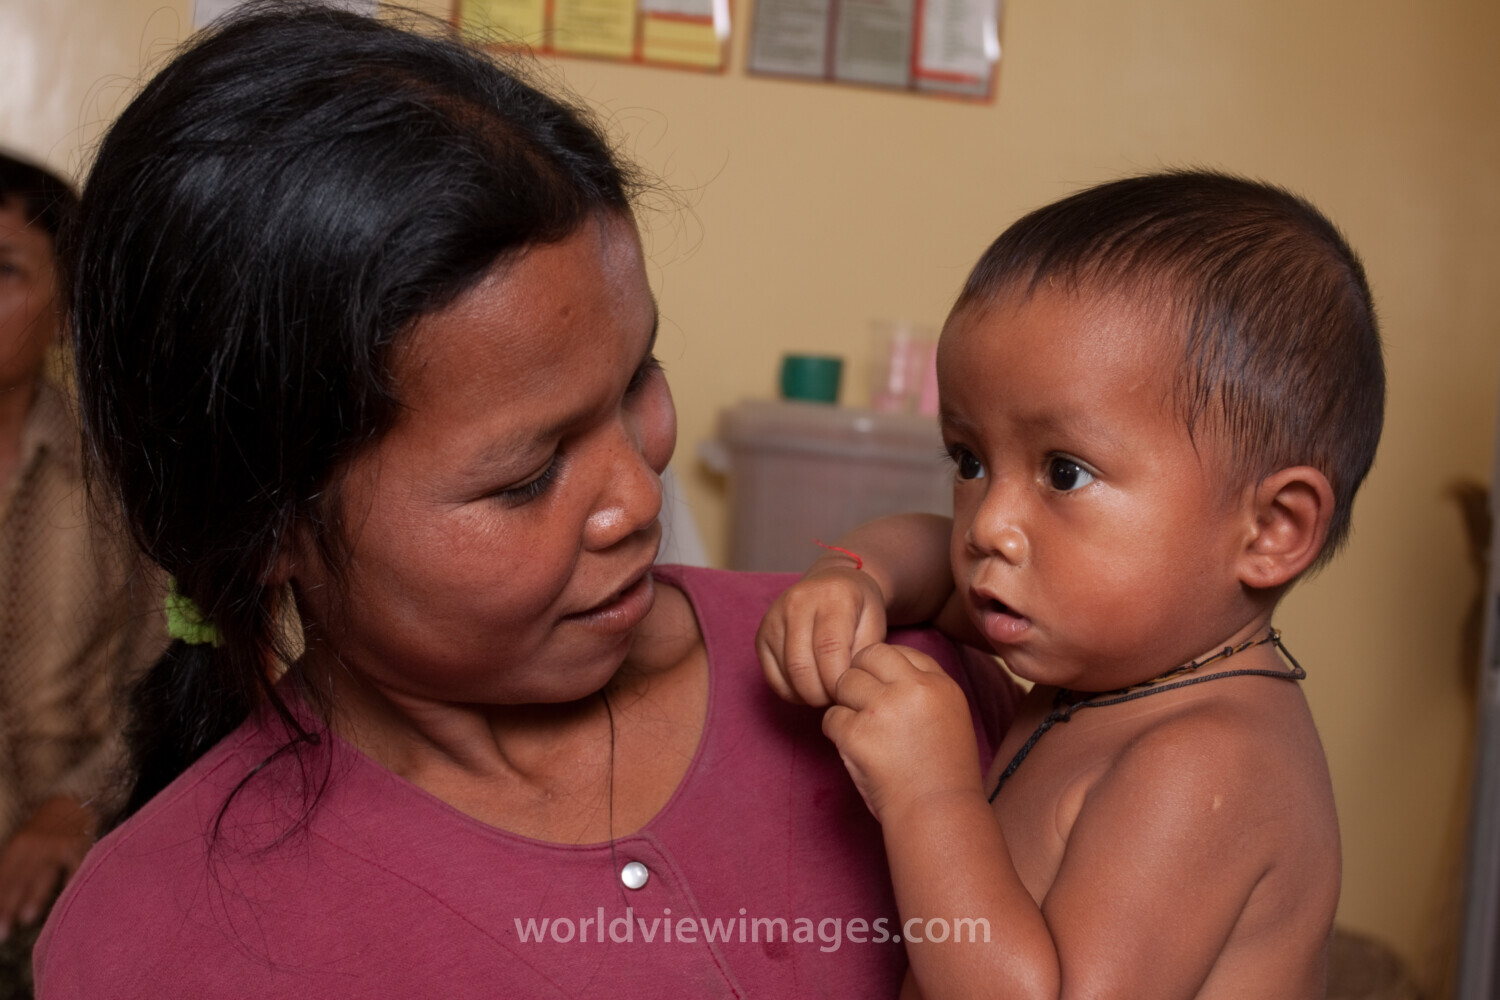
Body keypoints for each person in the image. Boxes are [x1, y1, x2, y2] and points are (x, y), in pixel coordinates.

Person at [33, 5, 1019, 996]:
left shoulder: (891, 688)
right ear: (266, 527)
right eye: (526, 478)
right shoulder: (153, 941)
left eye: (639, 378)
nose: (637, 496)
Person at [758, 171, 1382, 998]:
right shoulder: (1114, 658)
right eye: (970, 461)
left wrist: (931, 795)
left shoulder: (1206, 764)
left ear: (1270, 530)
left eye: (1064, 471)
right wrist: (855, 576)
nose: (988, 524)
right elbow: (933, 554)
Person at [0, 152, 162, 975]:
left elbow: (166, 679)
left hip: (72, 867)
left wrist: (72, 808)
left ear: (65, 311)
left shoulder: (122, 488)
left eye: (4, 271)